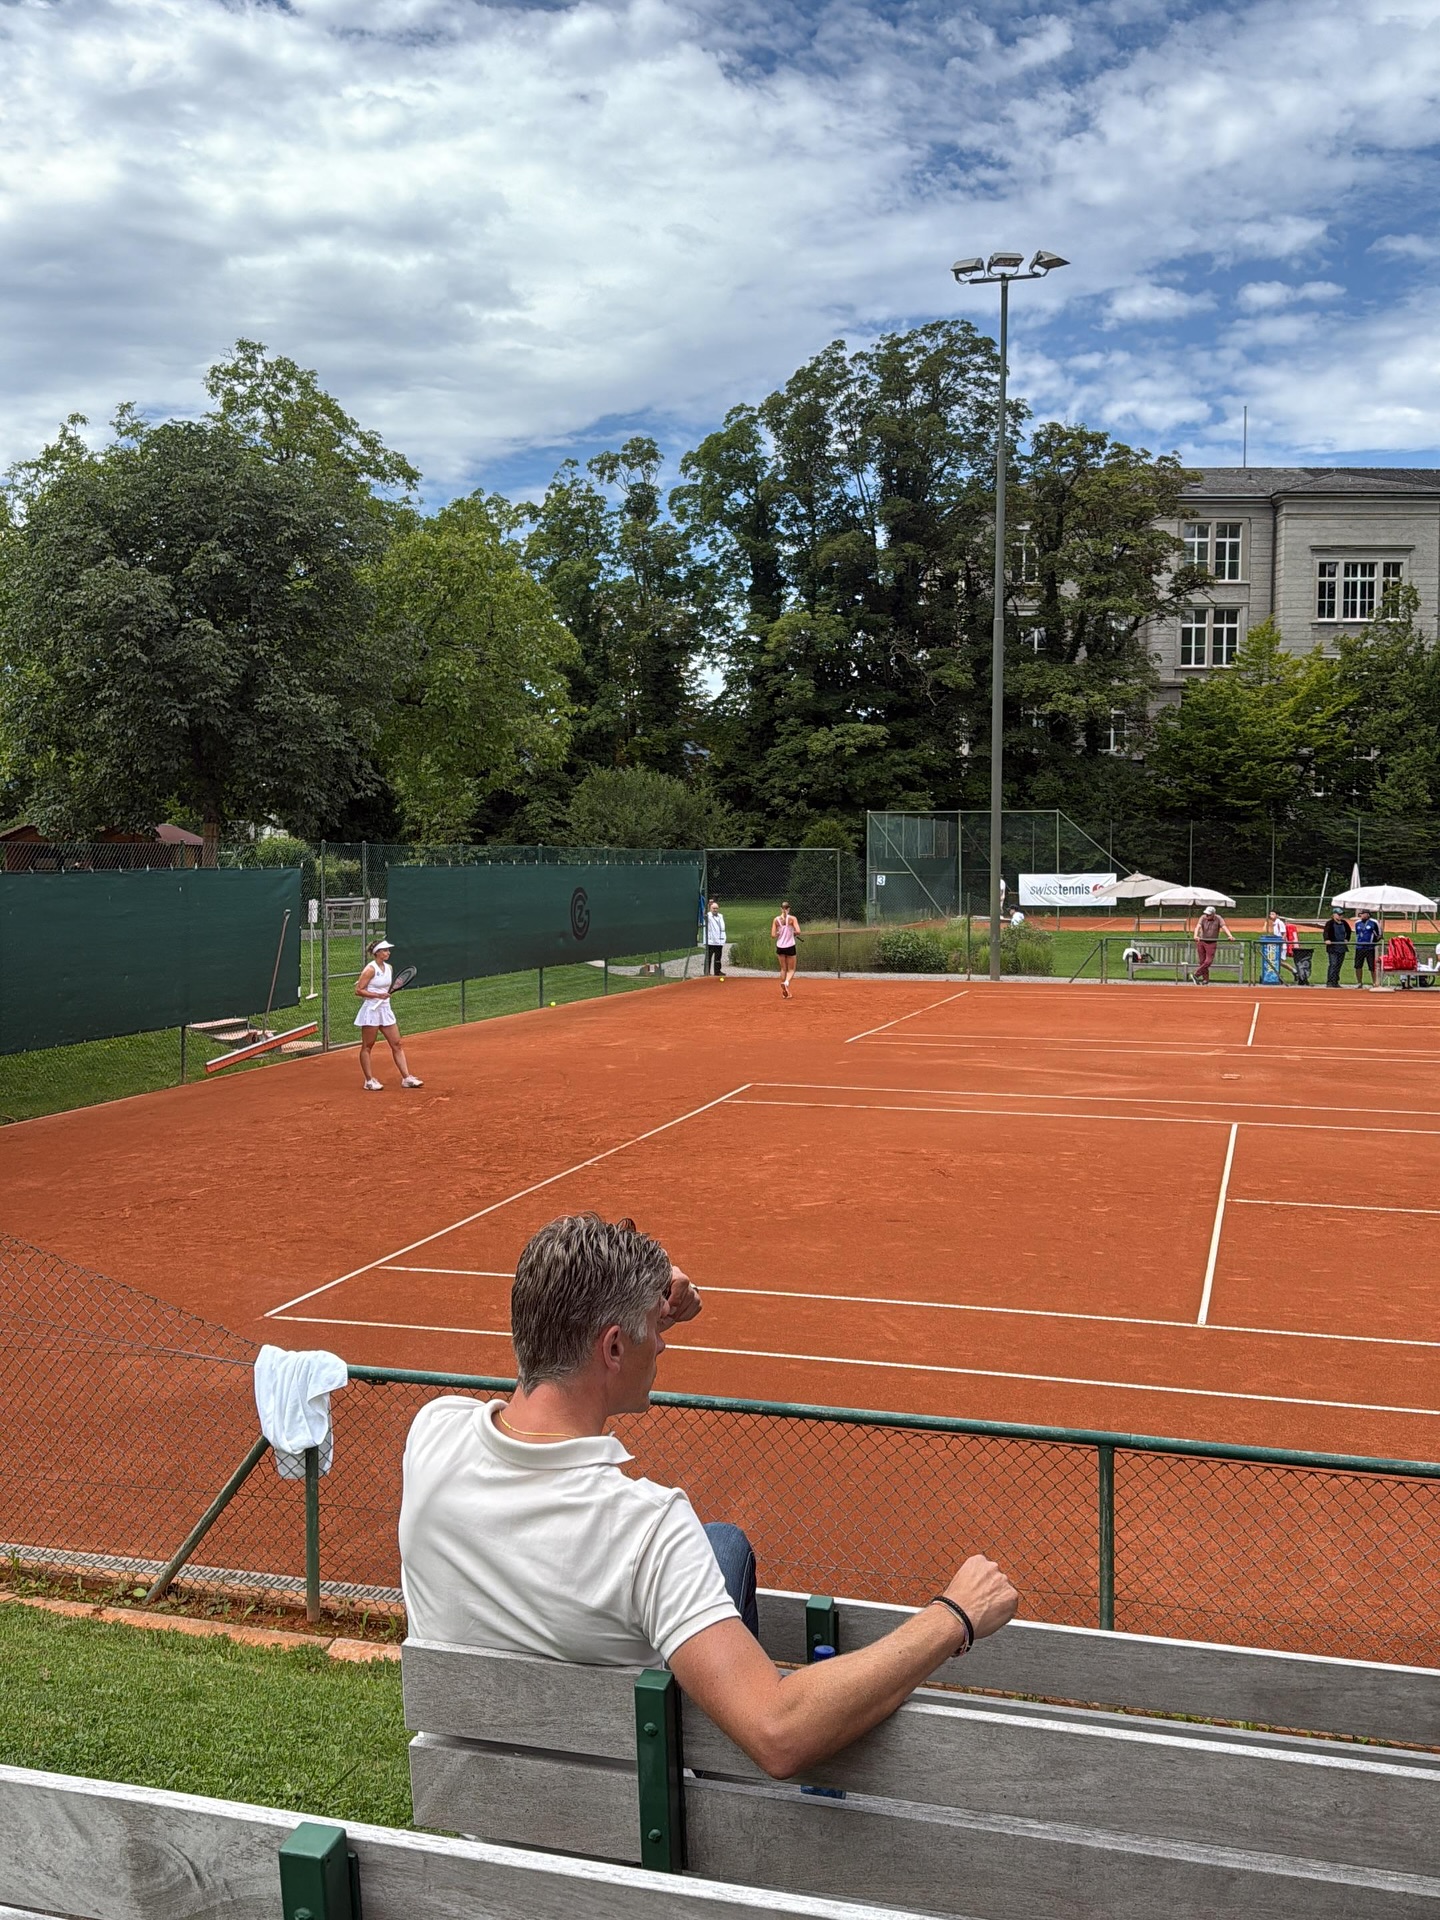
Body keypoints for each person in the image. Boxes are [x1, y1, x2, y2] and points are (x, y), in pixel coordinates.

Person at [398, 1213, 1018, 1781]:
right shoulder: (647, 1532)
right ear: (612, 1348)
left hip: (480, 1809)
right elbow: (779, 1732)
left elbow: (564, 1348)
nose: (663, 1344)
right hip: (632, 1830)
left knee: (721, 1544)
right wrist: (954, 1615)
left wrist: (640, 1308)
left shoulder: (433, 1436)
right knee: (718, 1547)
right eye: (651, 1332)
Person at [353, 937, 422, 1091]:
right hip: (371, 1011)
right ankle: (369, 1081)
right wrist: (378, 995)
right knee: (368, 1046)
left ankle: (406, 1078)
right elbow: (358, 990)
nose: (388, 952)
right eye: (385, 950)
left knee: (397, 1043)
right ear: (377, 953)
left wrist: (383, 996)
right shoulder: (370, 969)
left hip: (385, 1010)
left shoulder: (389, 968)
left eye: (388, 950)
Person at [1192, 904, 1233, 984]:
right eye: (1206, 914)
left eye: (1209, 914)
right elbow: (1198, 927)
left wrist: (1230, 935)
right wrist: (1195, 935)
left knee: (1208, 961)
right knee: (1202, 961)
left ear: (1213, 914)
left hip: (1211, 942)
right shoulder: (1203, 917)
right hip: (1202, 941)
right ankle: (1205, 979)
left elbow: (1224, 927)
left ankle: (1196, 974)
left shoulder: (1218, 918)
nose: (1207, 916)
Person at [772, 899, 800, 999]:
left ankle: (784, 990)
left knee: (783, 968)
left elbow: (773, 935)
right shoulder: (792, 918)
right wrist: (793, 932)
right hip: (790, 946)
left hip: (780, 946)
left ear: (781, 908)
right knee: (791, 969)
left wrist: (779, 933)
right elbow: (798, 931)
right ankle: (786, 983)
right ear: (789, 909)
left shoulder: (776, 920)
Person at [1321, 908, 1351, 989]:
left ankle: (1335, 981)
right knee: (1333, 964)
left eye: (1341, 914)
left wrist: (1347, 939)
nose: (1341, 916)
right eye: (1339, 914)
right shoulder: (1330, 923)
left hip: (1341, 946)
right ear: (1334, 915)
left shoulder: (1344, 923)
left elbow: (1348, 931)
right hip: (1333, 947)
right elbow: (1326, 932)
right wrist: (1327, 939)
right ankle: (1330, 982)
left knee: (1338, 965)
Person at [1353, 907, 1382, 987]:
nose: (1361, 915)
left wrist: (1373, 942)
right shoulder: (1357, 923)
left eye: (1363, 914)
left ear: (1368, 914)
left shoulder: (1374, 922)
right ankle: (1359, 982)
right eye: (1360, 914)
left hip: (1370, 948)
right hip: (1359, 947)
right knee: (1358, 966)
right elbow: (1357, 933)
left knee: (1372, 966)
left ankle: (1375, 982)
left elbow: (1379, 935)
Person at [704, 898, 726, 978]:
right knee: (708, 957)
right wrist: (708, 905)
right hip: (711, 941)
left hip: (719, 940)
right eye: (713, 908)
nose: (715, 910)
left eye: (716, 908)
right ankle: (707, 971)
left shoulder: (720, 916)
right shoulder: (708, 916)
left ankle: (717, 971)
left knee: (718, 957)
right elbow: (704, 914)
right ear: (710, 909)